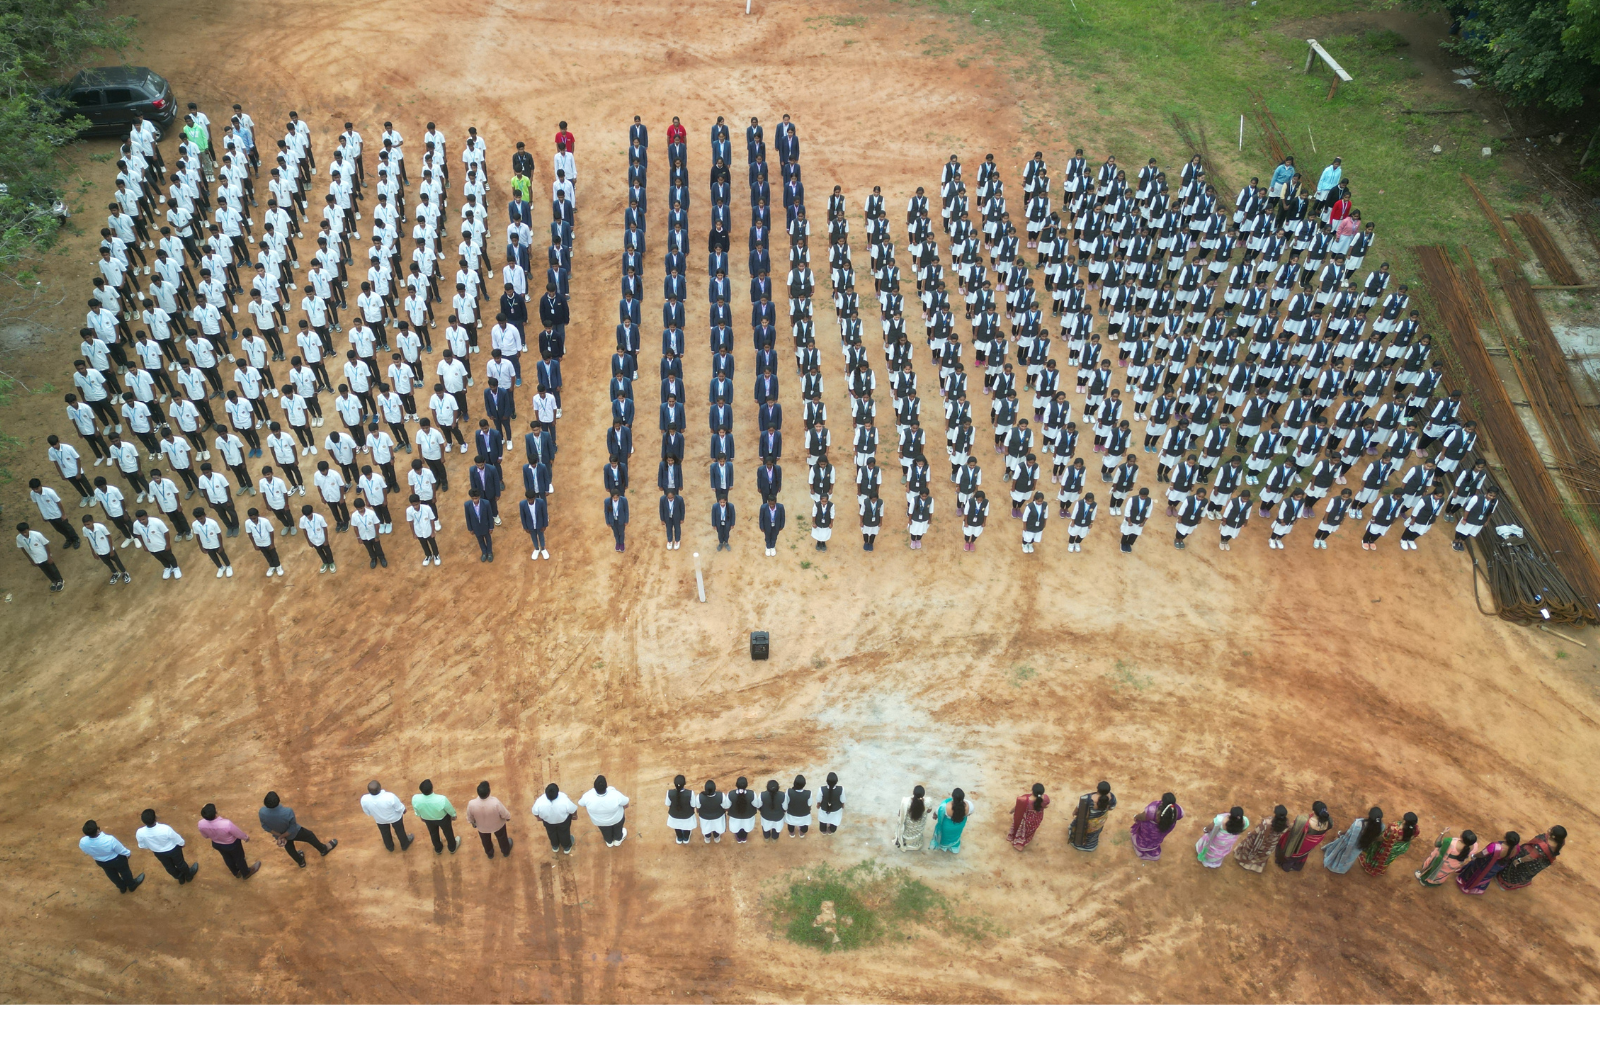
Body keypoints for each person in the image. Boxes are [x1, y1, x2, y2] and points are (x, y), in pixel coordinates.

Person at [258, 792, 338, 868]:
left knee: (290, 848)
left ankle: (301, 862)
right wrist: (282, 836)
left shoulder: (262, 812)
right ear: (278, 800)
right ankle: (323, 849)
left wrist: (280, 836)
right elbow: (292, 828)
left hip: (279, 835)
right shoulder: (287, 812)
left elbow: (265, 826)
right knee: (310, 836)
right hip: (293, 833)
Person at [196, 803, 261, 879]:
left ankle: (236, 872)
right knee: (239, 858)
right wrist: (245, 838)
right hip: (232, 845)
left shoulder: (201, 824)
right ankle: (246, 873)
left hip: (217, 844)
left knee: (227, 858)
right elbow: (238, 833)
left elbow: (206, 836)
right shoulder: (226, 824)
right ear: (215, 812)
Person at [136, 808, 199, 883]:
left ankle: (180, 878)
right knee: (180, 863)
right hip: (173, 850)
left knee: (169, 867)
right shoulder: (165, 828)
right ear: (155, 818)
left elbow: (142, 845)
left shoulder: (140, 832)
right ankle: (188, 875)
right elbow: (175, 837)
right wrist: (182, 843)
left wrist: (153, 847)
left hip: (158, 853)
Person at [79, 820, 143, 893]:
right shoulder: (109, 839)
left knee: (111, 874)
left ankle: (122, 887)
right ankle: (132, 885)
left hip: (101, 861)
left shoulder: (83, 842)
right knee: (125, 872)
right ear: (97, 829)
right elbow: (120, 849)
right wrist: (128, 853)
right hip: (117, 860)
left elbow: (85, 851)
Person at [1496, 825, 1565, 890]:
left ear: (1553, 836)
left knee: (1515, 867)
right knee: (1525, 873)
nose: (1549, 829)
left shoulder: (1543, 846)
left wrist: (1519, 860)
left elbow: (1531, 857)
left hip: (1528, 859)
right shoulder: (1560, 842)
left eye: (1551, 829)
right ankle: (1520, 883)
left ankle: (1505, 882)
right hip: (1538, 863)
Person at [1358, 811, 1419, 876]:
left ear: (1404, 821)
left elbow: (1383, 837)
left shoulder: (1394, 828)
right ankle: (1380, 869)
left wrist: (1372, 838)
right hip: (1399, 848)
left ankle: (1370, 866)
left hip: (1388, 846)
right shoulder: (1416, 830)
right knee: (1388, 858)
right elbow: (1411, 838)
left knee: (1376, 850)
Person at [1275, 801, 1332, 872]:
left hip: (1299, 844)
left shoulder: (1303, 821)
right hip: (1309, 846)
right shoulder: (1329, 822)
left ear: (1313, 811)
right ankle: (1295, 866)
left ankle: (1286, 867)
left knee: (1291, 853)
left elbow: (1293, 830)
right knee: (1302, 854)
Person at [360, 780, 414, 852]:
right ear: (380, 788)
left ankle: (389, 847)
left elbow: (366, 811)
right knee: (400, 830)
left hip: (380, 820)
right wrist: (403, 810)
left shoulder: (364, 799)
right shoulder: (389, 796)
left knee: (384, 833)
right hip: (395, 818)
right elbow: (398, 807)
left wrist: (374, 814)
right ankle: (404, 845)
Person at [1322, 806, 1379, 874]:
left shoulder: (1359, 824)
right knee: (1351, 857)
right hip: (1360, 847)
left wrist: (1340, 833)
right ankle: (1343, 868)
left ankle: (1335, 864)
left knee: (1342, 851)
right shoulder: (1379, 827)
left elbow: (1349, 832)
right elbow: (1376, 838)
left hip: (1350, 843)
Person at [1233, 805, 1289, 873]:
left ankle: (1245, 862)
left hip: (1259, 841)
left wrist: (1250, 834)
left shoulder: (1267, 823)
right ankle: (1255, 867)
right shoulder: (1286, 824)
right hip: (1271, 844)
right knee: (1262, 854)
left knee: (1250, 850)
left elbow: (1257, 831)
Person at [412, 780, 463, 855]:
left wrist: (420, 815)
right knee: (448, 832)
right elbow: (449, 809)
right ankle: (452, 847)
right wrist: (453, 815)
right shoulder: (441, 799)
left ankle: (438, 848)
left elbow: (416, 808)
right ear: (432, 788)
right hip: (443, 819)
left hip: (428, 819)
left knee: (433, 833)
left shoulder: (415, 798)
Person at [466, 781, 514, 858]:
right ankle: (505, 851)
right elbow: (504, 813)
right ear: (489, 792)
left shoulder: (471, 804)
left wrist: (472, 823)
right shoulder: (495, 802)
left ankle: (490, 854)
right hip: (498, 826)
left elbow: (470, 816)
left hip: (482, 828)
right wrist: (508, 818)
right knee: (502, 838)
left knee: (485, 841)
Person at [579, 775, 630, 847]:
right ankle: (618, 841)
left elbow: (582, 803)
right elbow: (626, 804)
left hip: (600, 822)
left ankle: (609, 842)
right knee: (618, 829)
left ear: (594, 787)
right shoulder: (615, 794)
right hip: (617, 819)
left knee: (605, 831)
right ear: (606, 786)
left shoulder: (587, 796)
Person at [1130, 793, 1183, 859]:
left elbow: (1142, 817)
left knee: (1142, 838)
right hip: (1163, 831)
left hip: (1149, 831)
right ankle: (1152, 850)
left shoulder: (1152, 810)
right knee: (1156, 839)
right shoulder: (1178, 811)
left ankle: (1140, 849)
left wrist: (1136, 817)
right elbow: (1179, 816)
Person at [1068, 782, 1117, 851]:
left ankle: (1079, 845)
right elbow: (1111, 808)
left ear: (1097, 789)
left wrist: (1074, 812)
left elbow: (1079, 808)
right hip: (1100, 820)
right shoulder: (1112, 797)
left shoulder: (1088, 798)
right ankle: (1090, 846)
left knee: (1081, 830)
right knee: (1094, 833)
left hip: (1088, 821)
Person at [16, 522, 64, 591]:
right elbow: (23, 549)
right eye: (21, 533)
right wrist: (31, 559)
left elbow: (46, 544)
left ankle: (60, 581)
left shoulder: (37, 534)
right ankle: (53, 581)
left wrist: (49, 556)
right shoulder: (18, 538)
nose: (24, 534)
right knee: (45, 571)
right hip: (36, 559)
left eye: (25, 532)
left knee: (53, 569)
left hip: (44, 556)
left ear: (29, 529)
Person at [532, 783, 579, 855]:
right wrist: (574, 816)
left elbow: (535, 812)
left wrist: (538, 818)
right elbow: (573, 809)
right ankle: (566, 847)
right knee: (564, 832)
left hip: (548, 822)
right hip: (563, 822)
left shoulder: (540, 801)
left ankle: (555, 846)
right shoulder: (564, 799)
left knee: (551, 833)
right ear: (557, 793)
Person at [1007, 783, 1050, 851]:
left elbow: (1017, 807)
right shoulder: (1046, 798)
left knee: (1022, 830)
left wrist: (1011, 811)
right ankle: (1026, 840)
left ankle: (1019, 843)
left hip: (1027, 820)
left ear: (1032, 790)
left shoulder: (1024, 800)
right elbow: (1046, 806)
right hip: (1037, 819)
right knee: (1029, 831)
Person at [930, 788, 973, 854]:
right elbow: (969, 814)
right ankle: (953, 847)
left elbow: (936, 813)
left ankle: (943, 845)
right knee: (955, 835)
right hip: (959, 825)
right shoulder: (969, 805)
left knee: (945, 836)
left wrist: (935, 815)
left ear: (953, 797)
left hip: (947, 827)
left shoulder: (944, 806)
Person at [894, 786, 931, 851]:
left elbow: (900, 814)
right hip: (919, 826)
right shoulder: (928, 802)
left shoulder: (906, 802)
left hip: (908, 827)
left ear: (913, 793)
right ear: (923, 795)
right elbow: (929, 811)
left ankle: (903, 842)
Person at [665, 774, 697, 845]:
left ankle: (679, 838)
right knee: (687, 827)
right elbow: (693, 805)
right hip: (687, 816)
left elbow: (667, 804)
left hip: (674, 816)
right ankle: (686, 838)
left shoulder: (669, 792)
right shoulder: (690, 793)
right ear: (684, 783)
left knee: (677, 827)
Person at [726, 777, 758, 844]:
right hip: (748, 817)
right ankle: (744, 837)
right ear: (747, 785)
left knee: (737, 827)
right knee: (746, 827)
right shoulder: (752, 794)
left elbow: (727, 806)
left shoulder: (730, 794)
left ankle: (739, 838)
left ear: (736, 784)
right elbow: (756, 805)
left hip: (735, 817)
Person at [696, 779, 729, 844]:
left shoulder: (699, 797)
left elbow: (698, 809)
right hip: (718, 817)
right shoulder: (721, 796)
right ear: (715, 789)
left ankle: (707, 838)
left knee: (706, 828)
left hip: (705, 818)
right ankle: (716, 837)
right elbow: (725, 807)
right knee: (717, 827)